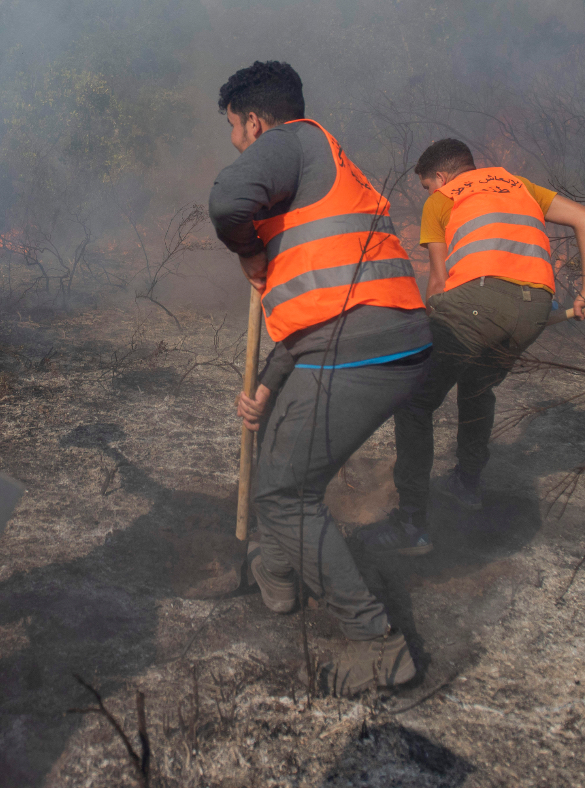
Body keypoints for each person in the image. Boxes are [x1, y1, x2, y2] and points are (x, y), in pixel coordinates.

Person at [209, 60, 431, 695]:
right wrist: (268, 387)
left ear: (254, 122)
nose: (233, 142)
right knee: (281, 446)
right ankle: (278, 571)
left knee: (283, 492)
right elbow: (312, 315)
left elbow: (227, 202)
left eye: (233, 127)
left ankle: (377, 645)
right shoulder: (324, 165)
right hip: (367, 340)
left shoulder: (291, 140)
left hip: (360, 344)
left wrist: (249, 247)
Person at [357, 139, 585, 554]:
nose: (429, 193)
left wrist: (425, 323)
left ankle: (411, 526)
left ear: (441, 178)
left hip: (478, 299)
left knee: (415, 401)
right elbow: (584, 218)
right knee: (479, 386)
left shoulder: (443, 198)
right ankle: (466, 484)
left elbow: (440, 282)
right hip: (535, 307)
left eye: (427, 186)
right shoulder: (519, 184)